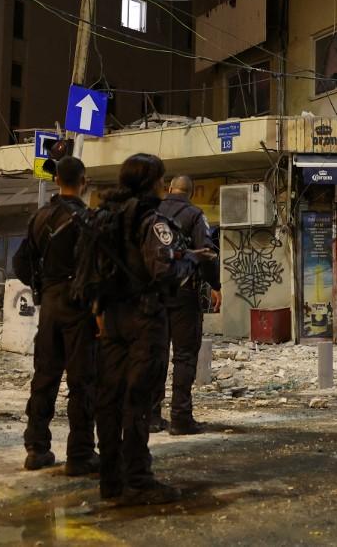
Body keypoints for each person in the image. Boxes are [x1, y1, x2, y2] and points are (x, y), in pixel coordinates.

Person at [93, 154, 209, 505]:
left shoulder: (104, 217)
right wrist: (190, 259)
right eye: (159, 179)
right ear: (150, 182)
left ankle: (111, 479)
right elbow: (165, 271)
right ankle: (138, 479)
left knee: (110, 399)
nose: (163, 186)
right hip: (144, 318)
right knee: (138, 399)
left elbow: (90, 271)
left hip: (111, 318)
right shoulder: (152, 221)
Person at [12, 157, 98, 475]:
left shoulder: (39, 217)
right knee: (82, 381)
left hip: (49, 304)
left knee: (45, 377)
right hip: (79, 307)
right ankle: (80, 454)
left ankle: (36, 448)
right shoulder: (88, 219)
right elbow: (97, 268)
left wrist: (42, 285)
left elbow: (20, 262)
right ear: (83, 181)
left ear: (57, 180)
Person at [151, 175, 222, 435]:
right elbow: (207, 253)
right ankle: (181, 418)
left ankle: (151, 417)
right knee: (184, 355)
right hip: (183, 292)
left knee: (155, 353)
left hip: (152, 295)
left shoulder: (151, 214)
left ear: (169, 189)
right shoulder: (194, 215)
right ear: (190, 193)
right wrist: (215, 285)